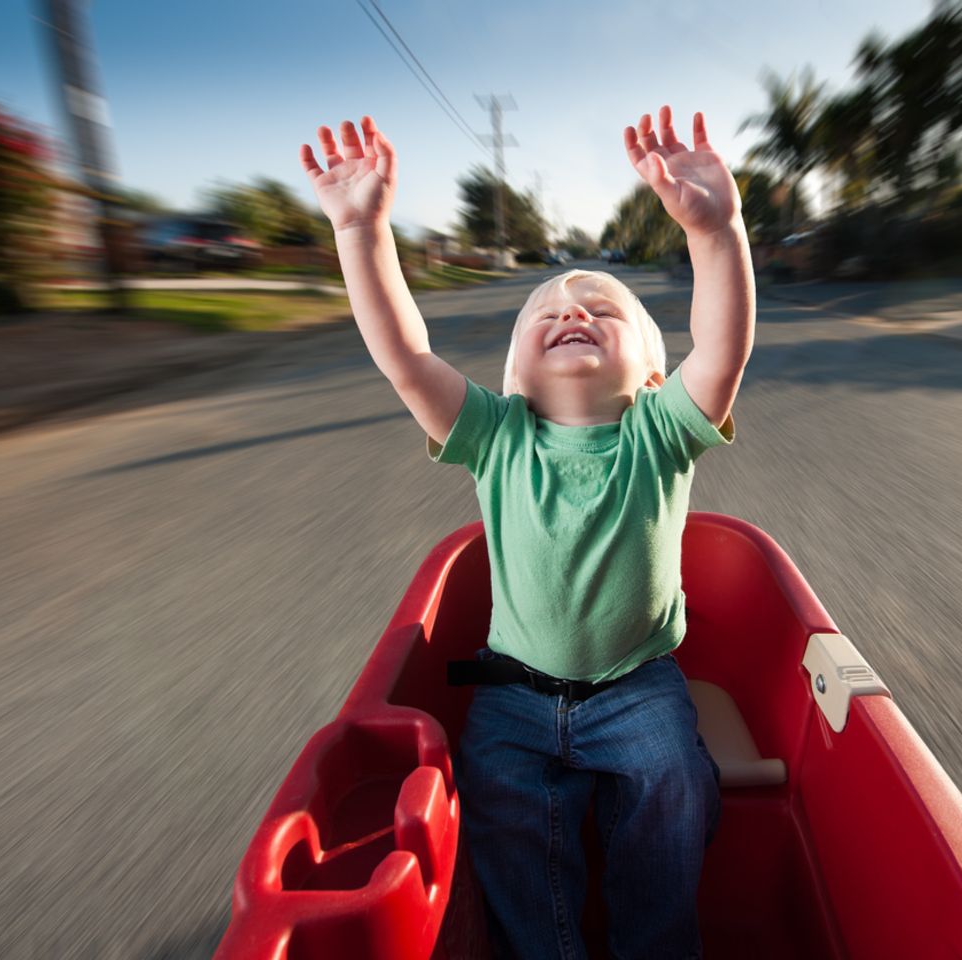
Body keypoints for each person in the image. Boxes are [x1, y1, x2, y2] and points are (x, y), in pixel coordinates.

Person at [300, 104, 755, 959]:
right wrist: (361, 232)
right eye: (544, 311)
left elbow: (722, 353)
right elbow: (405, 357)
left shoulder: (659, 433)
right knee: (498, 809)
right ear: (514, 376)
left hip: (638, 688)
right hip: (513, 697)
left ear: (654, 374)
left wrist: (717, 230)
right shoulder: (496, 435)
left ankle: (654, 948)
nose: (571, 308)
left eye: (602, 307)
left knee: (675, 786)